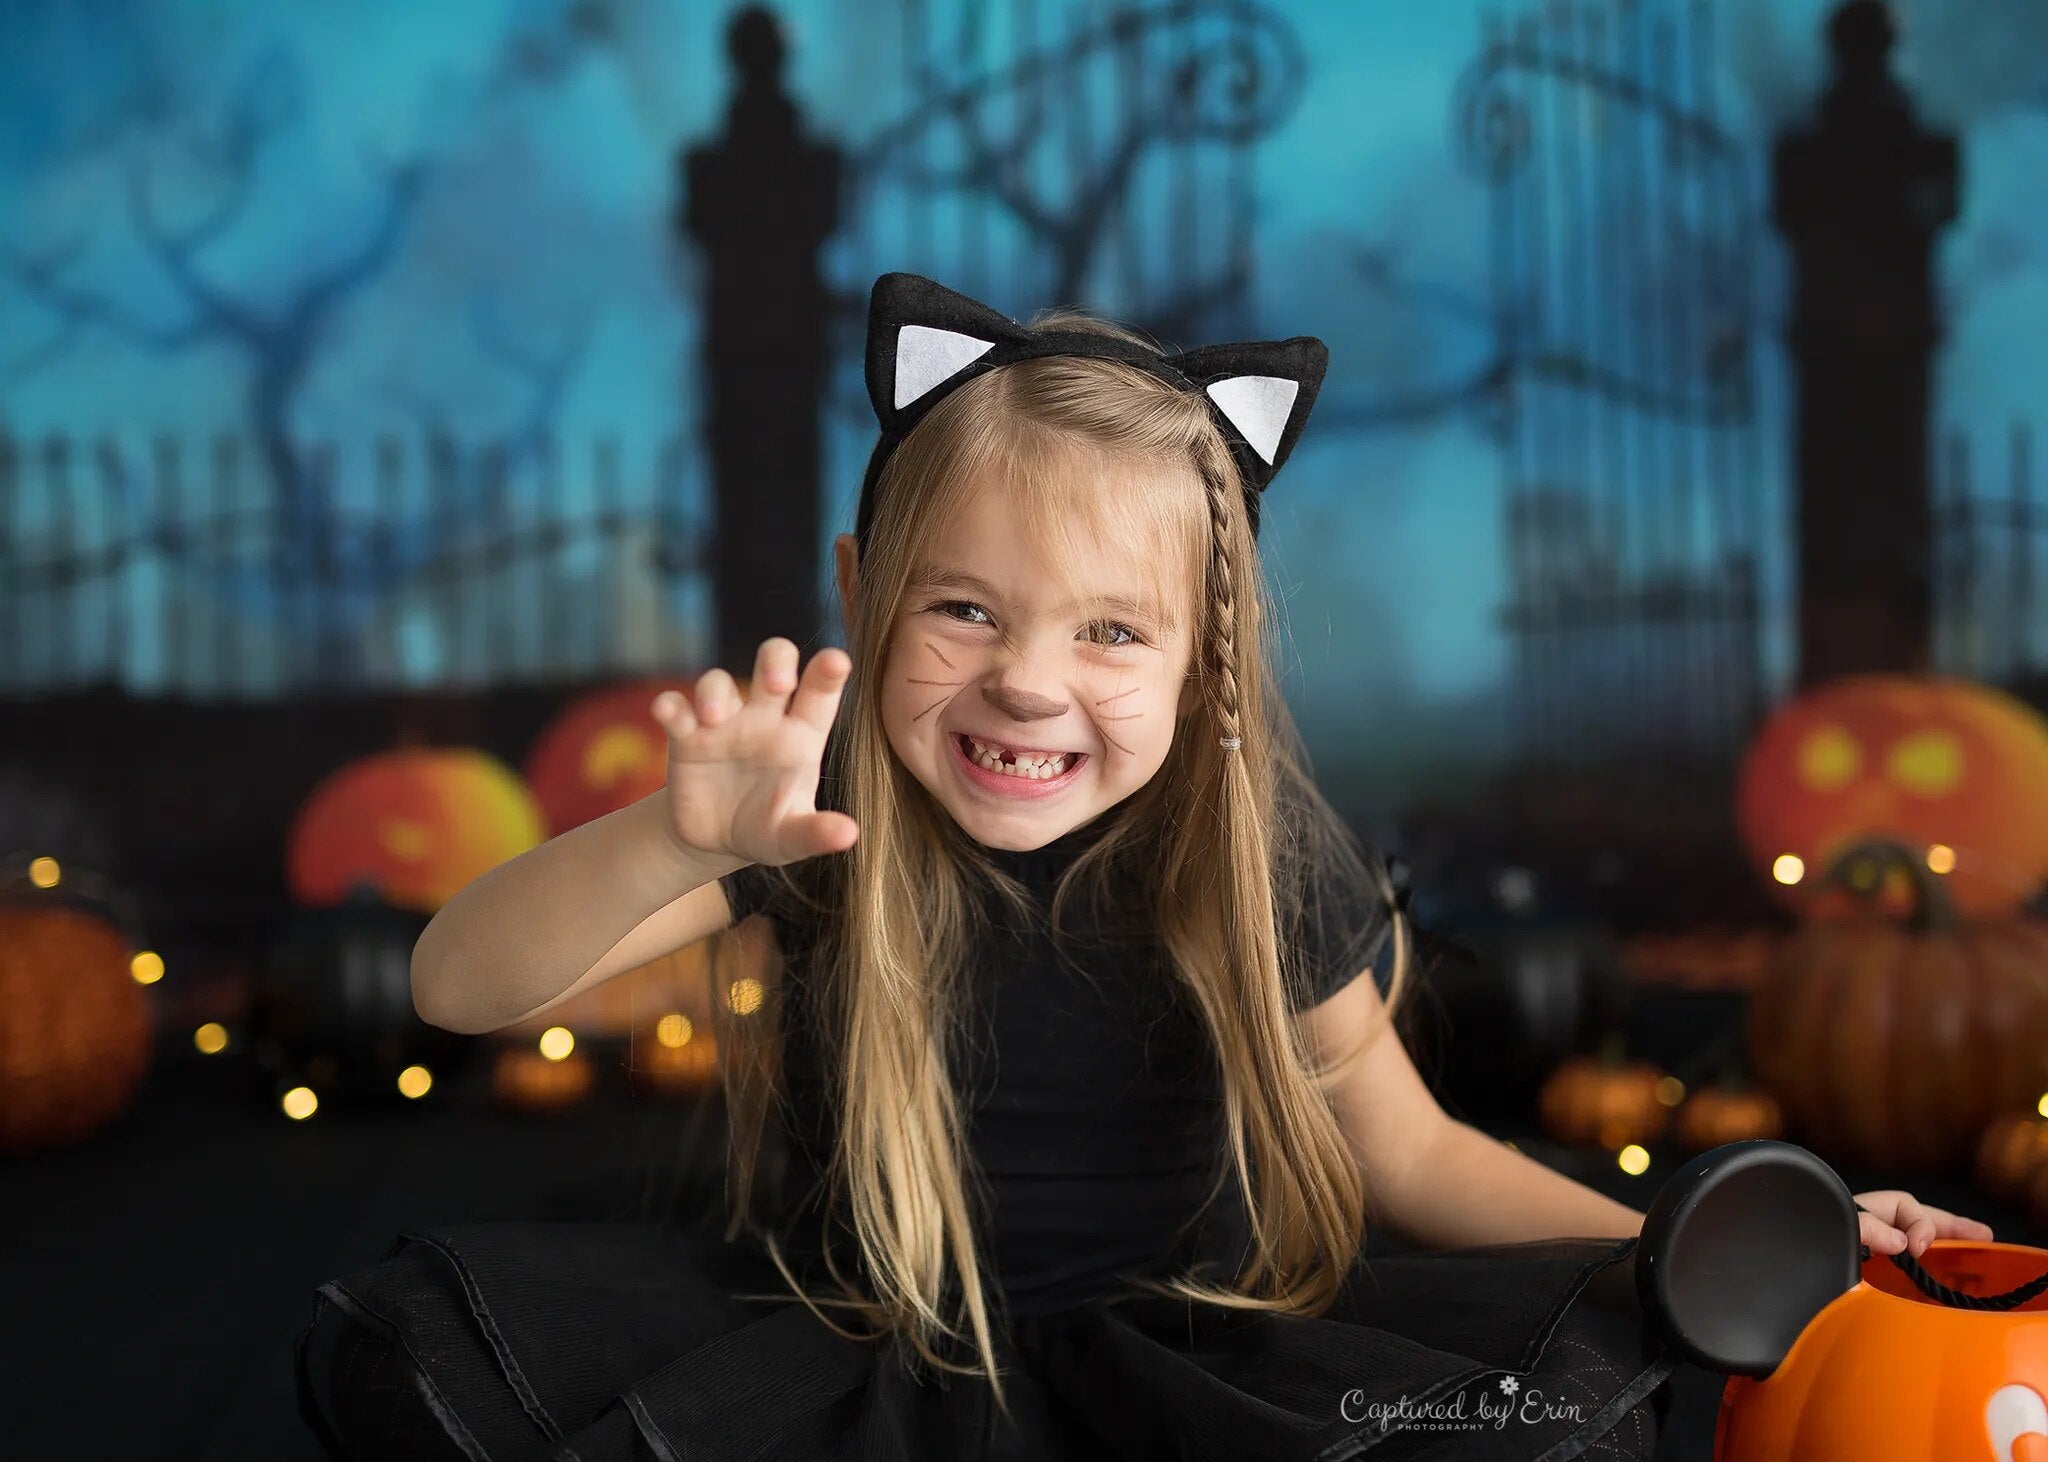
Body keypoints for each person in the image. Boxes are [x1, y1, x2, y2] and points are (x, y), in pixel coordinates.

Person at [297, 272, 1992, 1461]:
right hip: (850, 1363)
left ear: (1207, 648)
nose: (1031, 680)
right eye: (965, 608)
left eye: (1112, 630)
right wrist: (674, 835)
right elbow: (458, 984)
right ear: (860, 582)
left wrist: (1692, 1240)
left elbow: (1410, 1154)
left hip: (1209, 1357)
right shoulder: (818, 817)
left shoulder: (1251, 854)